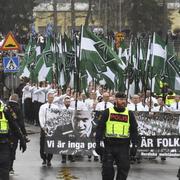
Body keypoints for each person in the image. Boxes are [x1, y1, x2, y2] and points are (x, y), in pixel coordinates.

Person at [95, 92, 138, 180]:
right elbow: (100, 128)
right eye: (120, 99)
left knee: (124, 168)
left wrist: (134, 145)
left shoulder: (129, 113)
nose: (123, 102)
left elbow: (134, 130)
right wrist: (97, 143)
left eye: (124, 100)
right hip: (109, 145)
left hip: (123, 146)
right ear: (115, 100)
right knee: (107, 170)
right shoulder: (107, 112)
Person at [0, 100, 26, 180]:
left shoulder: (5, 108)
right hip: (4, 143)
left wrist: (22, 138)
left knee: (4, 169)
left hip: (3, 143)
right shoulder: (5, 107)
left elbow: (14, 124)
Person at [7, 94, 29, 174]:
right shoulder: (18, 109)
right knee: (13, 150)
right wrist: (24, 135)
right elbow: (21, 123)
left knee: (5, 150)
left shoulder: (5, 107)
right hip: (15, 133)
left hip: (5, 133)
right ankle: (10, 168)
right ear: (17, 100)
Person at [39, 92, 58, 167]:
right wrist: (43, 127)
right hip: (44, 128)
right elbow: (41, 117)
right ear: (47, 98)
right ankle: (43, 158)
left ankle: (49, 159)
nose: (51, 99)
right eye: (50, 97)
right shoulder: (43, 107)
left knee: (50, 144)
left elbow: (57, 118)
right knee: (43, 144)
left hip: (52, 128)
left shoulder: (56, 107)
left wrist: (54, 127)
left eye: (52, 98)